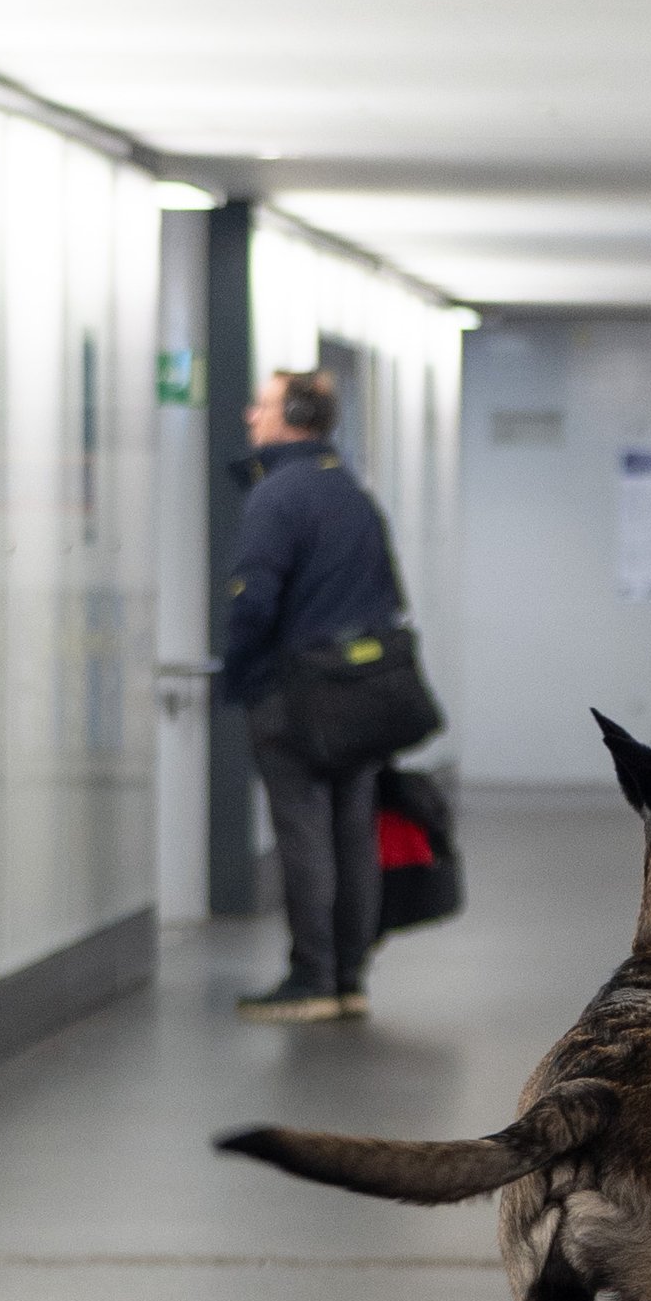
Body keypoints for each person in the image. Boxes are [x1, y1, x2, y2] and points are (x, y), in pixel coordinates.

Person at [220, 366, 412, 1025]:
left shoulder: (277, 495)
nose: (251, 415)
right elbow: (390, 593)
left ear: (293, 416)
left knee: (303, 834)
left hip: (295, 691)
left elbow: (255, 602)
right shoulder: (350, 492)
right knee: (351, 831)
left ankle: (311, 977)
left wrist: (240, 675)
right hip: (359, 696)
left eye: (264, 404)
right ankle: (349, 977)